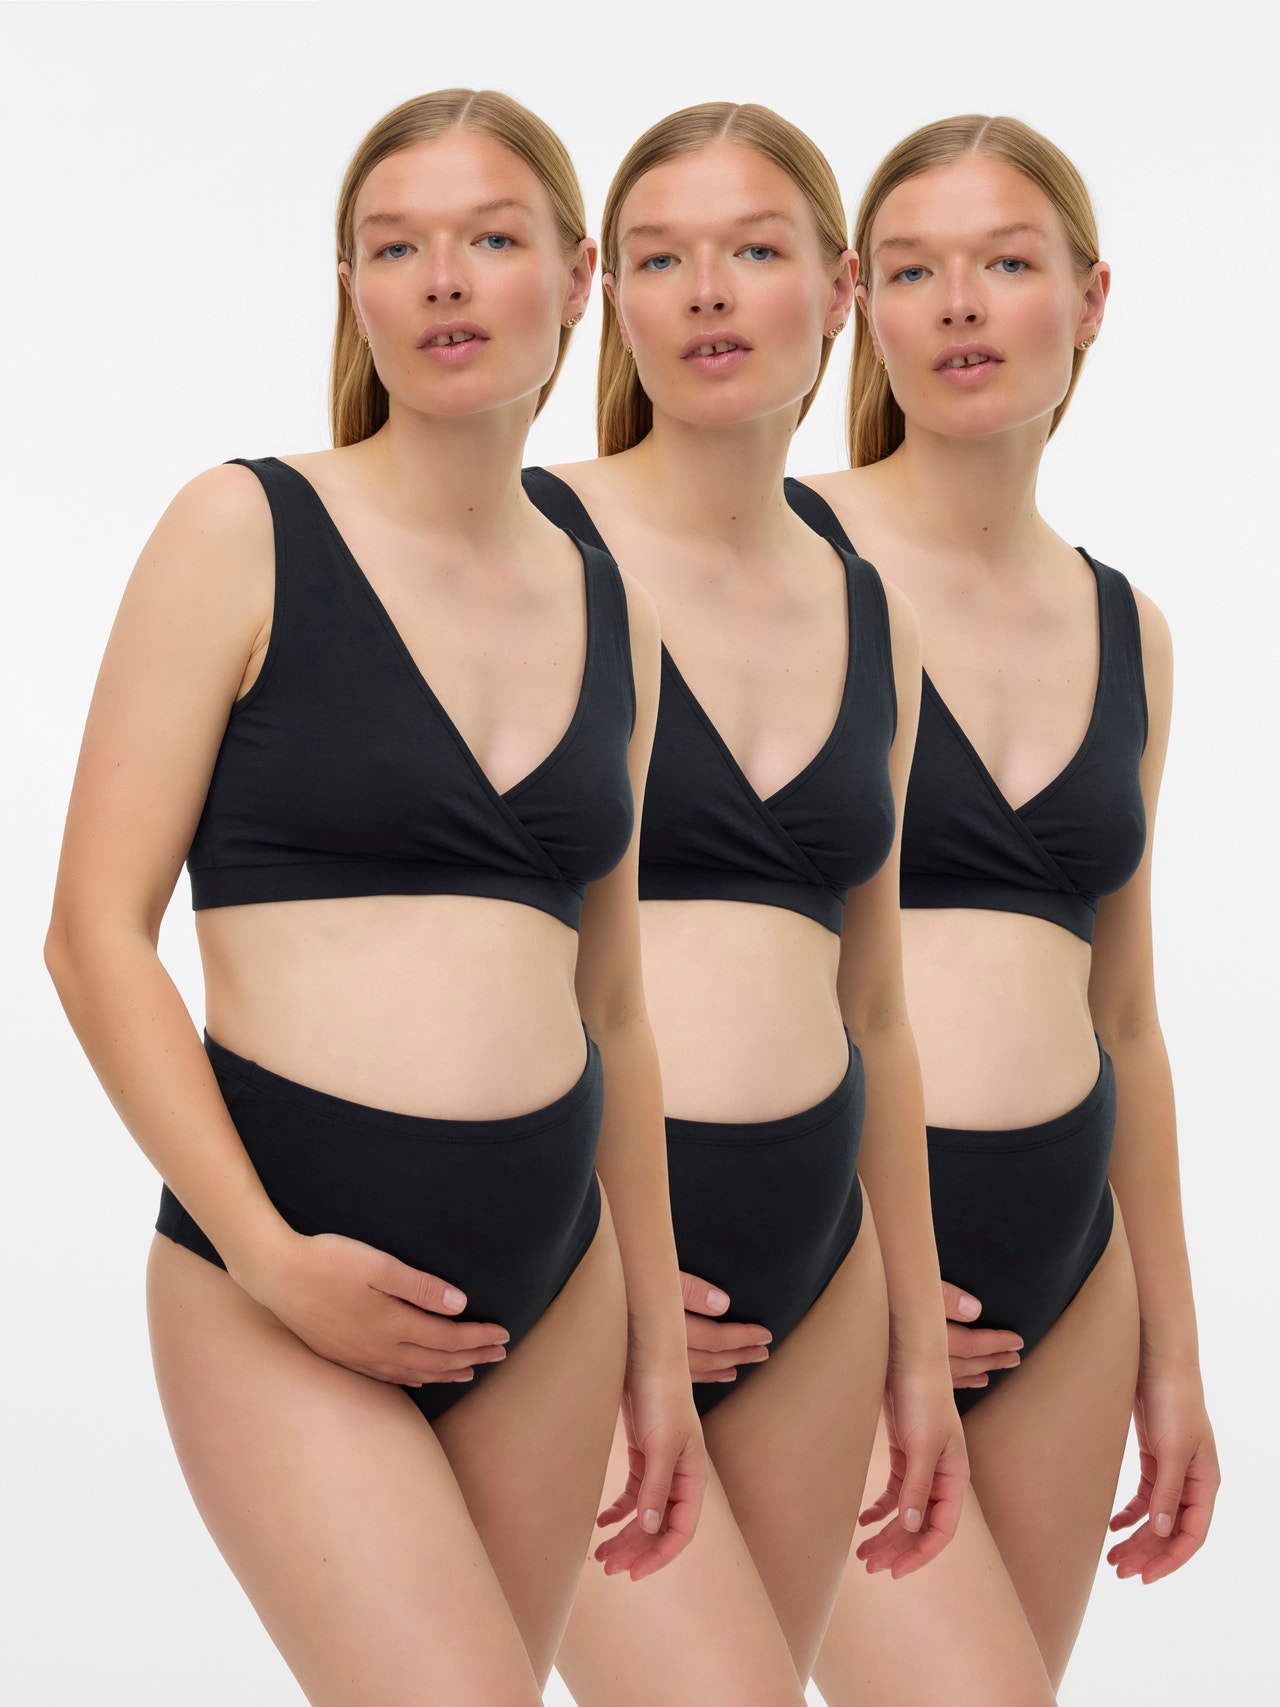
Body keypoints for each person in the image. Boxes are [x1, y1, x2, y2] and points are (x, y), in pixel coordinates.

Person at [44, 88, 704, 1707]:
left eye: (489, 239)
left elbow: (613, 1004)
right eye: (396, 248)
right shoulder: (242, 529)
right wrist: (267, 1255)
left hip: (553, 1296)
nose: (443, 280)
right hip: (277, 1280)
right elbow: (92, 936)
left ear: (577, 276)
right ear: (351, 289)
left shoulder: (610, 600)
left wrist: (655, 1344)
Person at [524, 102, 964, 1706]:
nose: (707, 292)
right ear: (609, 297)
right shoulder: (530, 536)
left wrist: (914, 1342)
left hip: (817, 1284)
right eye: (662, 259)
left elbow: (877, 1009)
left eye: (754, 251)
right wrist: (608, 1280)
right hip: (572, 1264)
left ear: (840, 289)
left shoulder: (870, 608)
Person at [784, 114, 1219, 1704]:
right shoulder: (776, 549)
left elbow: (1126, 1018)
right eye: (915, 271)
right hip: (819, 1267)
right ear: (861, 304)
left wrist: (1172, 1349)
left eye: (1007, 264)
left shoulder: (1131, 628)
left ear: (1090, 299)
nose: (961, 304)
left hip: (1066, 1292)